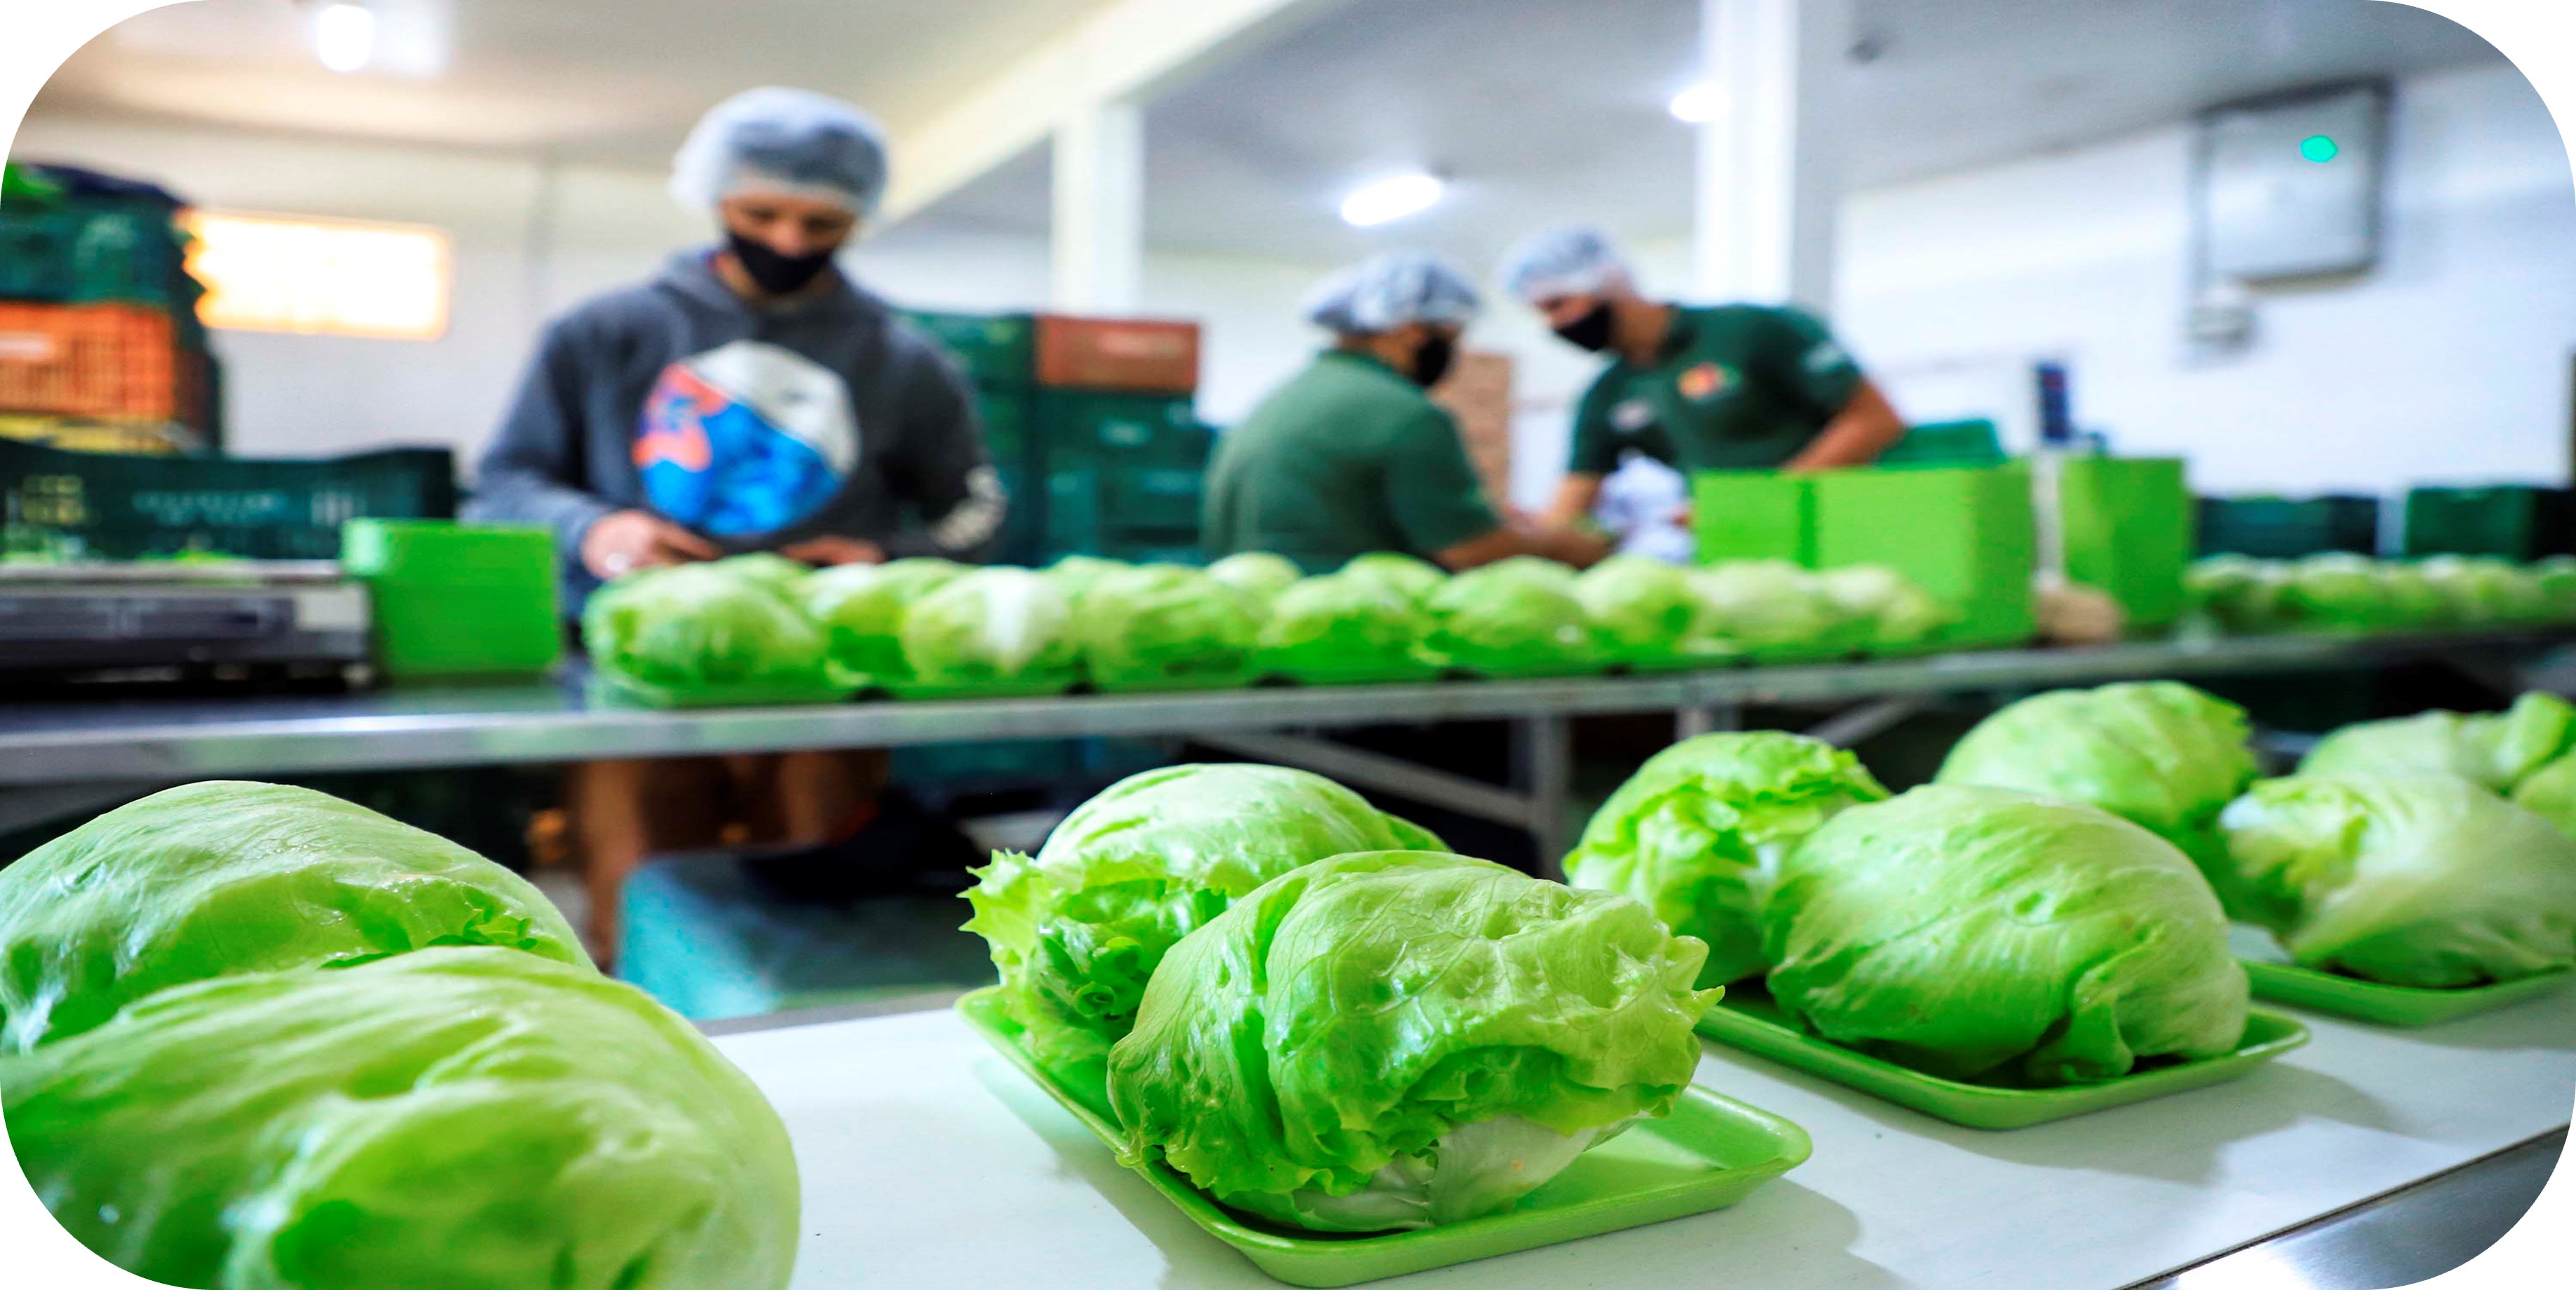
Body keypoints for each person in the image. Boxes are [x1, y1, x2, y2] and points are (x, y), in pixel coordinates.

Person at [466, 87, 1004, 959]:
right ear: (715, 198)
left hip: (821, 692)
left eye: (821, 223)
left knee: (816, 919)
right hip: (636, 687)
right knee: (643, 909)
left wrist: (886, 555)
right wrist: (598, 530)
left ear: (858, 218)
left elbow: (973, 509)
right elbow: (505, 480)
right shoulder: (604, 332)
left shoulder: (905, 362)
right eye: (762, 214)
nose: (788, 241)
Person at [1202, 253, 1609, 574]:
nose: (1455, 354)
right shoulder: (1406, 413)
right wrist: (1562, 546)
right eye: (1452, 337)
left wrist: (1483, 519)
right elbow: (1471, 550)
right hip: (1355, 625)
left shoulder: (1287, 397)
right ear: (1412, 331)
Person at [1498, 226, 1907, 532]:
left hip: (1840, 528)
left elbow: (1874, 419)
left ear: (1609, 281)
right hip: (1732, 546)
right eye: (1542, 314)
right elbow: (1571, 507)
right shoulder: (1606, 395)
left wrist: (1765, 500)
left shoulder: (1751, 329)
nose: (1554, 324)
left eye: (1558, 304)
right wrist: (1523, 533)